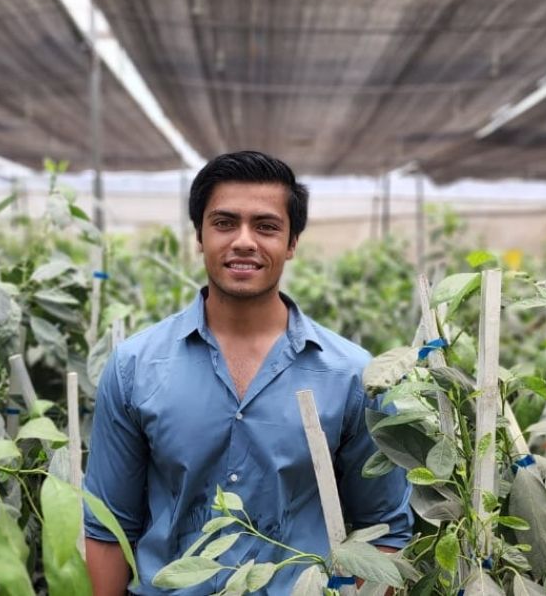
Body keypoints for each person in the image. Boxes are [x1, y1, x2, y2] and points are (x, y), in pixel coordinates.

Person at [83, 150, 414, 595]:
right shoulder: (135, 368)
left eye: (266, 226)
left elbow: (385, 530)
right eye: (224, 223)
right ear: (199, 235)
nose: (244, 241)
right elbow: (107, 528)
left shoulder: (352, 376)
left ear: (292, 243)